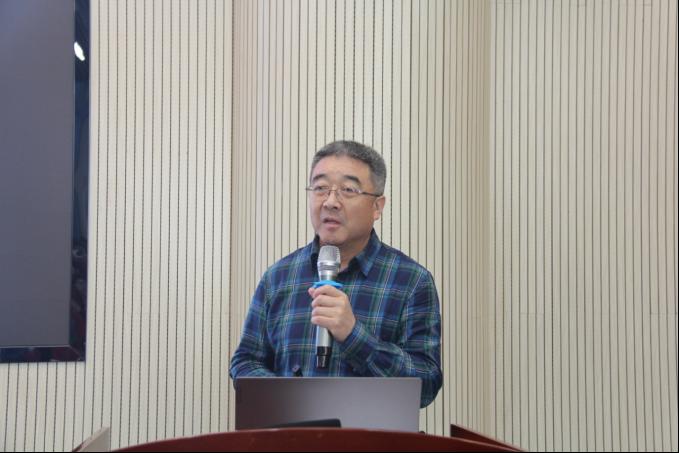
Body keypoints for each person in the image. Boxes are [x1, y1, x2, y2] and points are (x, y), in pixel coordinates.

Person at [229, 140, 442, 407]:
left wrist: (353, 335)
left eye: (348, 190)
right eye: (320, 188)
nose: (330, 202)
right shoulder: (278, 277)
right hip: (291, 431)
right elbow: (245, 361)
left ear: (377, 206)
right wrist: (290, 397)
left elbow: (426, 384)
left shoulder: (411, 281)